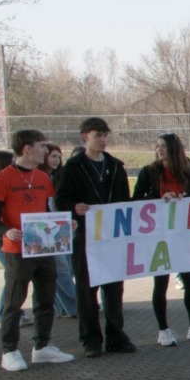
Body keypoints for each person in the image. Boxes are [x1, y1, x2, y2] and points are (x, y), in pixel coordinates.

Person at [0, 130, 75, 371]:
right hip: (17, 249)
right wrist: (7, 231)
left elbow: (47, 213)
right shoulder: (2, 179)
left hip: (44, 246)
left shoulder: (43, 178)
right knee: (14, 301)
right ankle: (9, 351)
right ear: (27, 149)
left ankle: (42, 347)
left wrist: (63, 225)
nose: (46, 151)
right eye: (41, 146)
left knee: (46, 298)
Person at [56, 117, 137, 357]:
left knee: (114, 288)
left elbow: (125, 201)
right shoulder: (73, 168)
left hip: (112, 236)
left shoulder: (115, 167)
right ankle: (91, 339)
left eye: (105, 135)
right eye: (97, 136)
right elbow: (61, 200)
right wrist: (74, 207)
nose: (102, 140)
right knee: (86, 290)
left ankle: (115, 336)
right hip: (85, 236)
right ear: (85, 137)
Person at [132, 133, 190, 346]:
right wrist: (158, 200)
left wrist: (184, 200)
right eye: (157, 146)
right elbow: (135, 202)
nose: (159, 150)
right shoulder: (149, 172)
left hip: (184, 236)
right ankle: (163, 330)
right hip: (158, 236)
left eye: (164, 146)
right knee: (160, 283)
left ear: (174, 149)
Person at [0, 151, 30, 329]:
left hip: (7, 236)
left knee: (15, 277)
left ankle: (14, 312)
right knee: (13, 277)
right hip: (1, 239)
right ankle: (3, 316)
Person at [40, 143, 77, 319]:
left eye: (58, 156)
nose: (57, 160)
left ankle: (60, 308)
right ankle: (73, 307)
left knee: (65, 268)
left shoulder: (59, 177)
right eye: (53, 156)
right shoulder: (40, 178)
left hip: (60, 228)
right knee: (60, 268)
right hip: (46, 230)